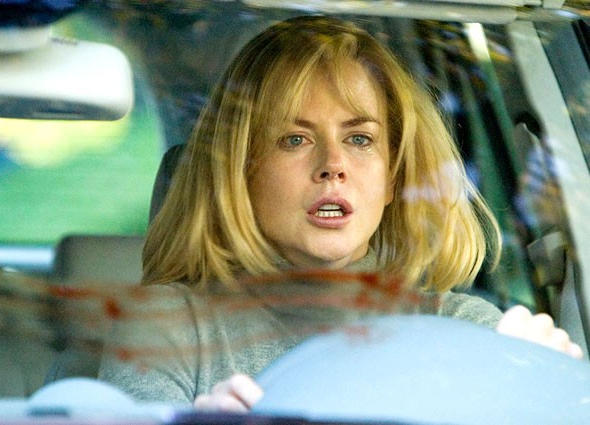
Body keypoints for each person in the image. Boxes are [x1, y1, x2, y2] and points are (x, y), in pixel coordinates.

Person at [99, 15, 583, 412]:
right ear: (242, 172)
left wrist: (548, 395)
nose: (333, 165)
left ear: (393, 178)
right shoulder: (169, 326)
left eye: (359, 139)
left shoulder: (466, 328)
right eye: (294, 139)